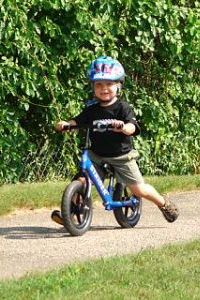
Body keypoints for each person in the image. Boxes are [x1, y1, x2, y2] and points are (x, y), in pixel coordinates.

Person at [51, 55, 179, 225]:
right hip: (97, 155)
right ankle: (71, 215)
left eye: (109, 84)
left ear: (118, 86)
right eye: (99, 84)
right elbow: (78, 121)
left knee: (138, 189)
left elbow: (133, 126)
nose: (104, 89)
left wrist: (124, 127)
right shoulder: (91, 109)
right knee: (80, 181)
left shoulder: (123, 108)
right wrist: (67, 124)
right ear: (93, 87)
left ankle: (163, 203)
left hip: (121, 156)